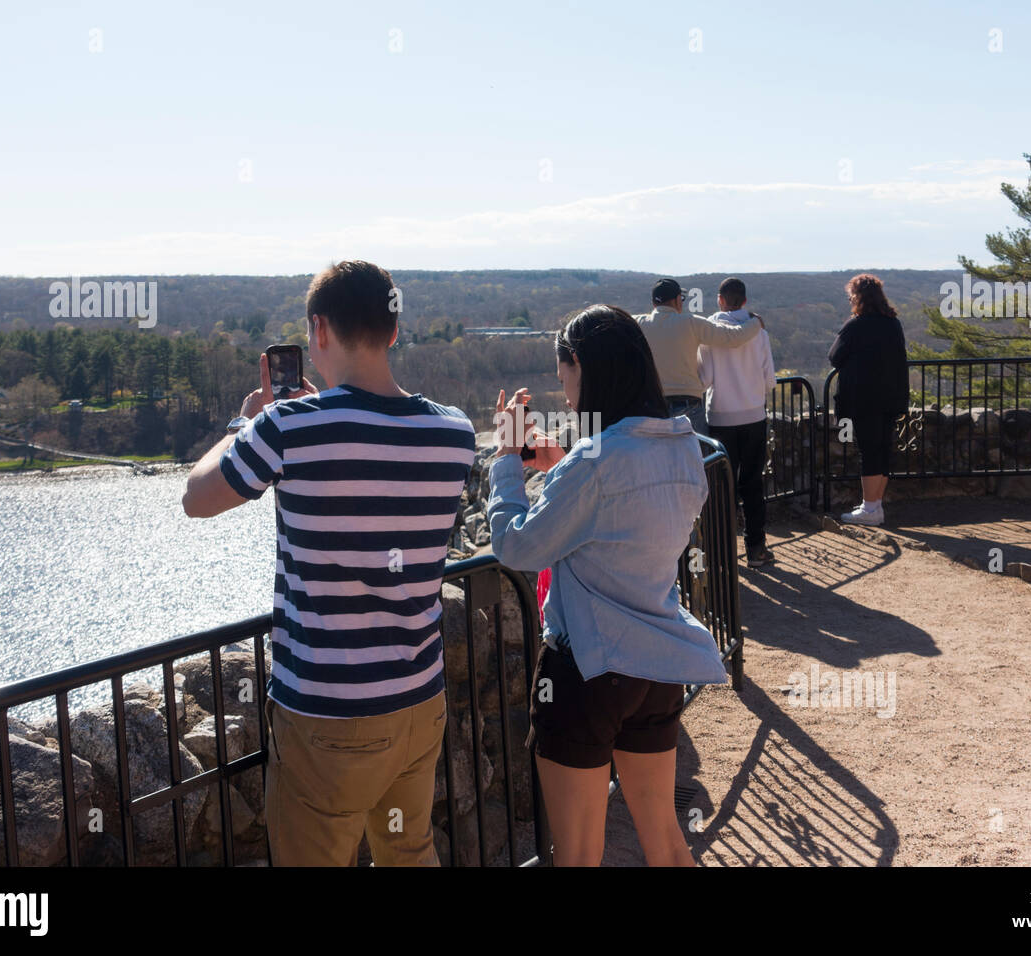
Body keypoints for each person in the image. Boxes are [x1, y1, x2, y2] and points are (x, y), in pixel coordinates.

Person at [180, 259, 476, 866]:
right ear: (394, 331)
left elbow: (197, 498)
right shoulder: (455, 433)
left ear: (317, 330)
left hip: (328, 714)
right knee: (408, 850)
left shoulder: (286, 426)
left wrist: (249, 420)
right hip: (419, 699)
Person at [486, 304, 729, 867]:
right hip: (657, 664)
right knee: (666, 841)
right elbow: (622, 502)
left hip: (587, 673)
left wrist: (505, 462)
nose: (562, 388)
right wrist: (558, 460)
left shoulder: (595, 460)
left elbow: (518, 546)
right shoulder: (683, 446)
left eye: (564, 373)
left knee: (577, 855)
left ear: (584, 367)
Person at [697, 277, 778, 567]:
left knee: (721, 488)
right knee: (753, 484)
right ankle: (756, 549)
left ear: (720, 300)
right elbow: (770, 381)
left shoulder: (708, 334)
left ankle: (722, 555)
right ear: (744, 301)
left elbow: (703, 379)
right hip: (754, 416)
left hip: (720, 417)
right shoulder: (759, 333)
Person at [827, 273, 910, 527]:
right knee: (883, 449)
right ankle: (875, 505)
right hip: (890, 397)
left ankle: (870, 508)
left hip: (864, 399)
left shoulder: (856, 325)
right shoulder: (893, 323)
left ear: (858, 297)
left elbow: (834, 357)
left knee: (869, 451)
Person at [637, 277, 764, 434]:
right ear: (677, 300)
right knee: (697, 457)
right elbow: (733, 337)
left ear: (654, 303)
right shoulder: (691, 323)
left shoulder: (638, 324)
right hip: (688, 406)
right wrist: (756, 322)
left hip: (653, 405)